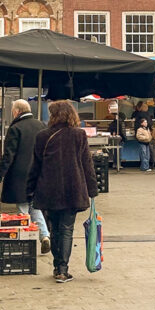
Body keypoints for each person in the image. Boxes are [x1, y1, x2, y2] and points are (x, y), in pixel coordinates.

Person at [26, 100, 98, 283]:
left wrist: (30, 189)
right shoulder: (79, 135)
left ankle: (58, 265)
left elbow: (35, 166)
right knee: (66, 229)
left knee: (54, 228)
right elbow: (87, 164)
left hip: (48, 189)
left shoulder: (42, 136)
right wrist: (92, 189)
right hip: (72, 189)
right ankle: (62, 270)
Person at [0, 99, 51, 255]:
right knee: (35, 206)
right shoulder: (41, 125)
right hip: (39, 174)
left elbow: (8, 156)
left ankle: (27, 239)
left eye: (13, 111)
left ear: (17, 111)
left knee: (23, 209)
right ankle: (44, 236)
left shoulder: (16, 128)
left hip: (20, 176)